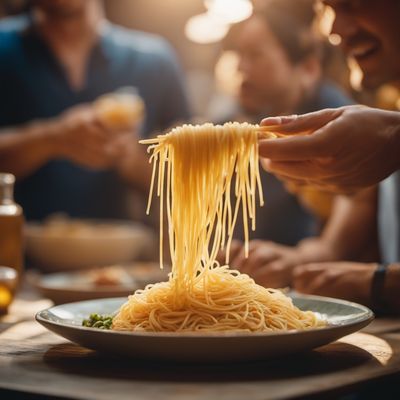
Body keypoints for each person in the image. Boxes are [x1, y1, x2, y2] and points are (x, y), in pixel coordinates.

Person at [257, 0, 400, 313]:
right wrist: (307, 257)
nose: (333, 29)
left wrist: (379, 282)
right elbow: (361, 195)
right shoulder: (389, 103)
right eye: (326, 8)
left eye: (353, 4)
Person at [0, 0, 190, 221]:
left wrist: (133, 160)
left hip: (127, 252)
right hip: (12, 250)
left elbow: (191, 180)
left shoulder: (155, 61)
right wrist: (51, 138)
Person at [218, 0, 353, 247]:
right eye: (239, 55)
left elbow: (358, 194)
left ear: (309, 68)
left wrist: (317, 252)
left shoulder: (334, 115)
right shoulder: (245, 117)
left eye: (255, 55)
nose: (239, 67)